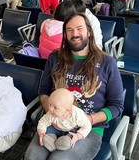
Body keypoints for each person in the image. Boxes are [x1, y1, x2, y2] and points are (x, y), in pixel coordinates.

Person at [23, 12, 124, 160]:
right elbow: (44, 92)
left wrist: (89, 119)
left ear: (89, 31)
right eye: (69, 30)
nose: (74, 34)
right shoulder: (54, 58)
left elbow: (117, 106)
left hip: (88, 129)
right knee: (32, 156)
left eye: (79, 28)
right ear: (65, 34)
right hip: (54, 122)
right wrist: (52, 113)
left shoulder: (107, 63)